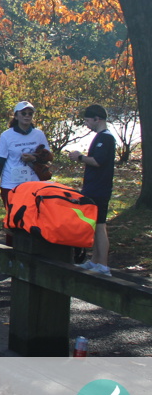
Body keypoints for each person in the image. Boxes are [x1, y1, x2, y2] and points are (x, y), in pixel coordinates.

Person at [0, 100, 51, 245]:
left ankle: (31, 250)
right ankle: (11, 250)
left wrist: (34, 157)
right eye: (23, 113)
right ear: (16, 116)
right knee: (13, 219)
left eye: (30, 113)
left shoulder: (38, 134)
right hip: (11, 184)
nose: (27, 116)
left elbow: (47, 157)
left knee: (33, 217)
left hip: (33, 182)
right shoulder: (7, 135)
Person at [70, 105, 116, 277]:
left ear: (97, 119)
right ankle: (95, 260)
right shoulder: (99, 137)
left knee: (100, 225)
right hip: (92, 188)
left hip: (100, 189)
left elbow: (98, 161)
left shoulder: (107, 138)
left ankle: (103, 265)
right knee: (95, 225)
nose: (86, 124)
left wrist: (80, 157)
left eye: (88, 121)